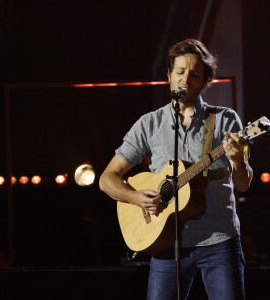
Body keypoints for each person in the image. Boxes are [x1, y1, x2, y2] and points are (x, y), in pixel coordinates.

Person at [99, 39, 253, 300]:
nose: (186, 79)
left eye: (194, 74)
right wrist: (135, 197)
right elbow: (107, 179)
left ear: (205, 80)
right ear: (169, 75)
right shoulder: (149, 123)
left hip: (218, 240)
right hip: (167, 241)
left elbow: (243, 183)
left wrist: (238, 160)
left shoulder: (225, 119)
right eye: (180, 72)